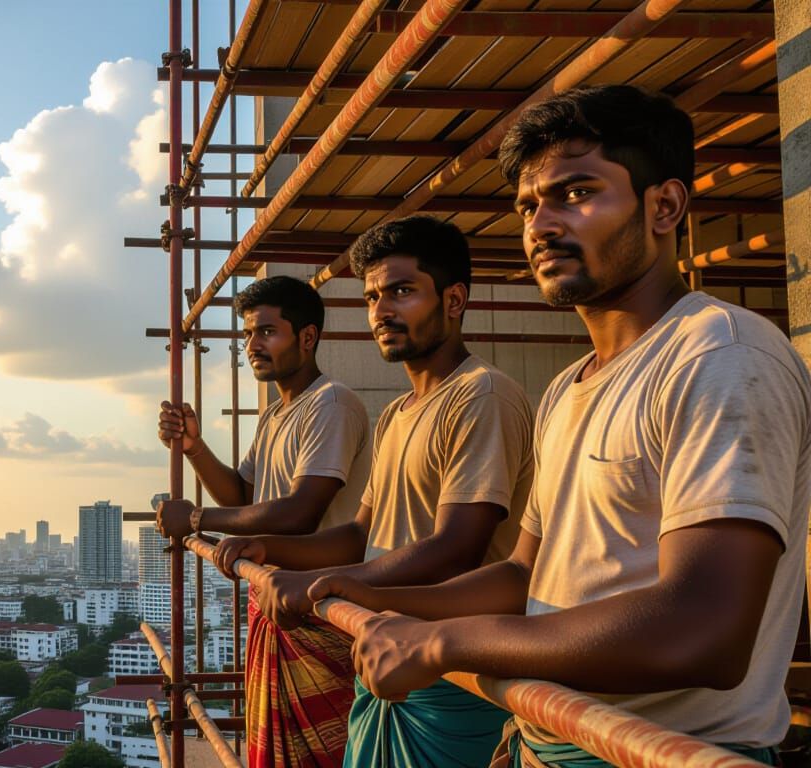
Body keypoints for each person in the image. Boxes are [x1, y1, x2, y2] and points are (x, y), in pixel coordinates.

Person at [310, 84, 811, 767]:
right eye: (528, 206)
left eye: (577, 193)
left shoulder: (719, 354)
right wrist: (382, 597)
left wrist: (445, 642)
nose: (541, 225)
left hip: (662, 754)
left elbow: (706, 630)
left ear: (664, 206)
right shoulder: (568, 391)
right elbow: (524, 577)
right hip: (549, 739)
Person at [213, 215, 535, 767]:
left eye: (402, 292)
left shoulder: (481, 397)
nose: (382, 312)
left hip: (450, 672)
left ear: (454, 299)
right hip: (383, 653)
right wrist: (271, 552)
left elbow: (457, 546)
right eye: (372, 297)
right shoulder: (397, 415)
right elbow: (360, 534)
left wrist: (327, 584)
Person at [155, 274, 370, 767]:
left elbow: (298, 512)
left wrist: (194, 517)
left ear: (308, 337)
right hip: (277, 599)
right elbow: (245, 495)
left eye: (267, 332)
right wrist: (194, 447)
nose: (253, 345)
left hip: (317, 605)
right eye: (248, 334)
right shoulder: (278, 413)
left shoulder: (330, 404)